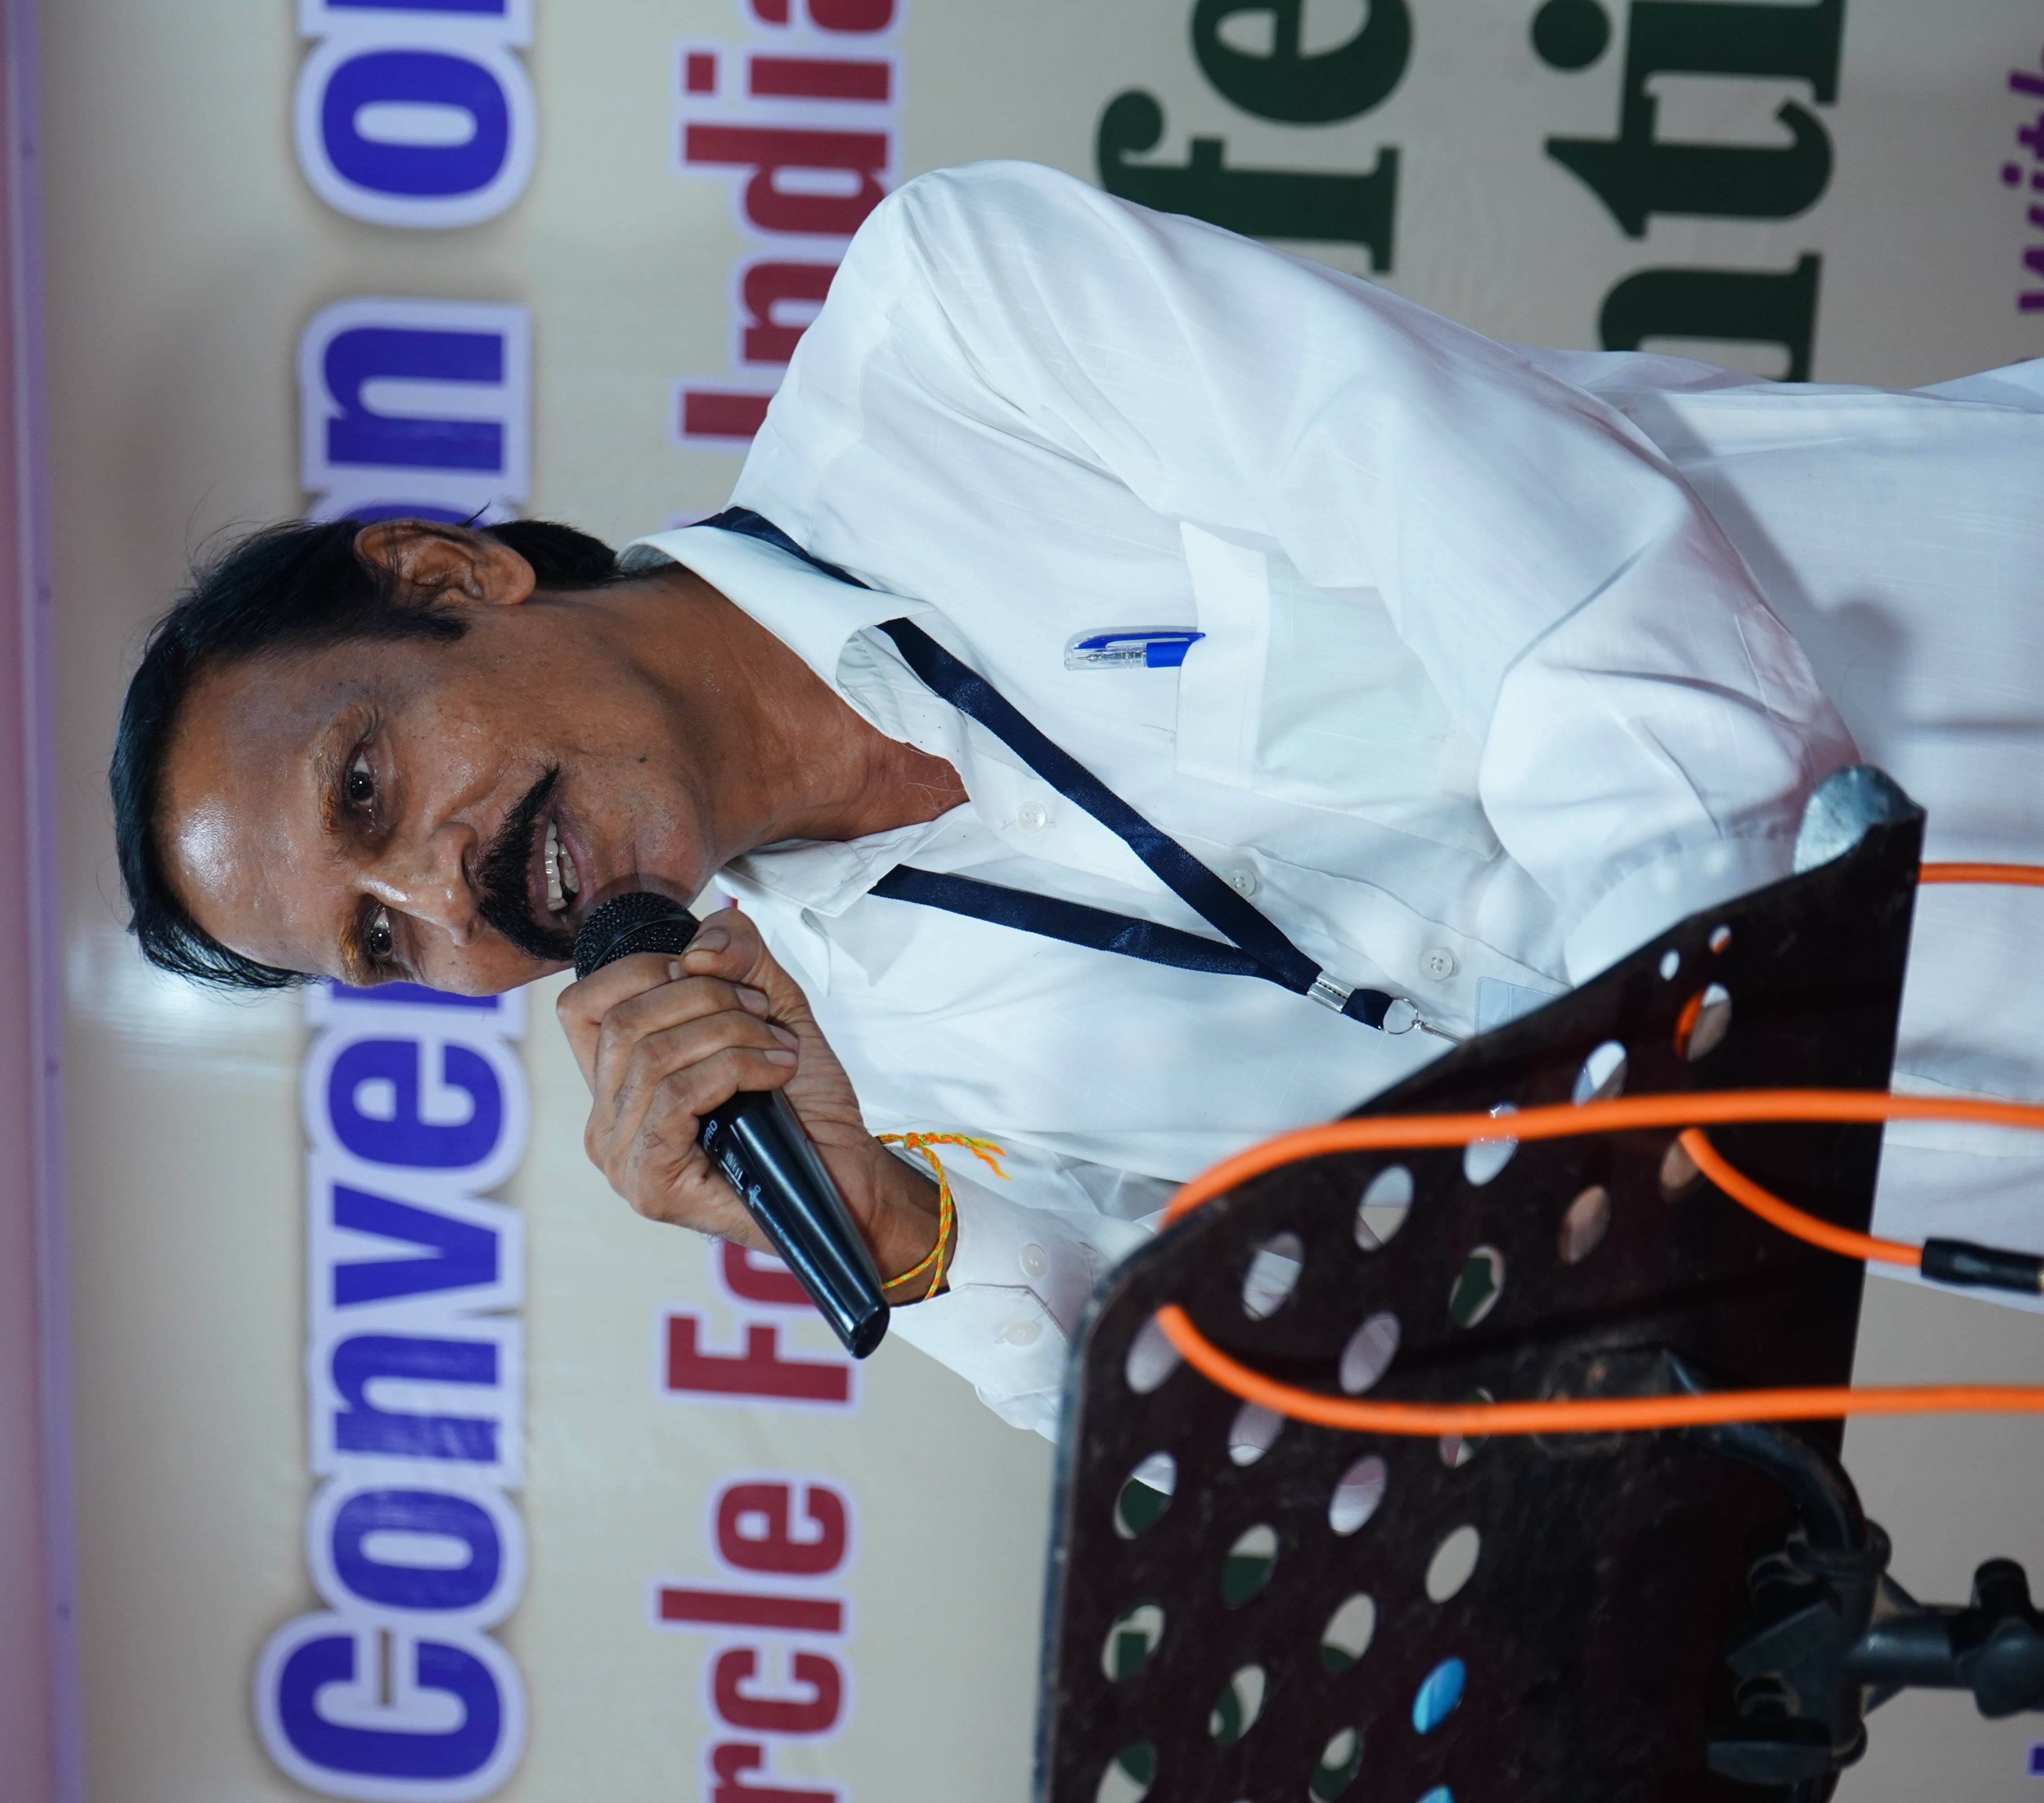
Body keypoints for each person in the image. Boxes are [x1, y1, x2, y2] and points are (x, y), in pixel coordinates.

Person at [112, 160, 2044, 1434]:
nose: (447, 891)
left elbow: (1553, 565)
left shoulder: (949, 337)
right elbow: (1259, 1410)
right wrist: (893, 1230)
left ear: (449, 574)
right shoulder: (851, 1082)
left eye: (368, 786)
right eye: (384, 944)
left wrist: (1688, 1082)